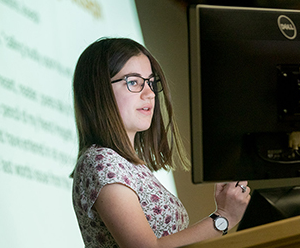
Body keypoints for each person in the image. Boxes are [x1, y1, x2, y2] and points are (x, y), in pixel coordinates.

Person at [71, 37, 250, 247]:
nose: (149, 93)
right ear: (99, 92)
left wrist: (224, 215)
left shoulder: (128, 165)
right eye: (133, 82)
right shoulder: (101, 160)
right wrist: (223, 218)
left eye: (150, 82)